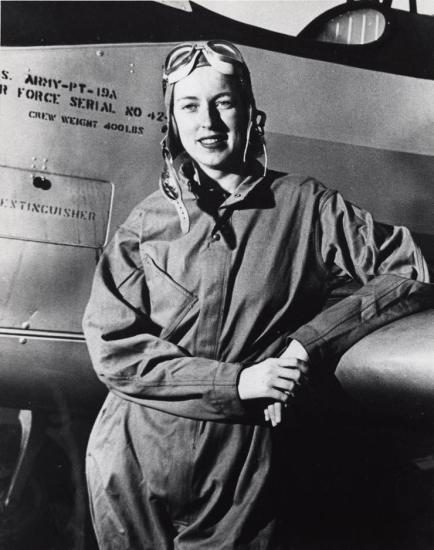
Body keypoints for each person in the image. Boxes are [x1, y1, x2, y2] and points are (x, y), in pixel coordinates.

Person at [83, 41, 433, 549]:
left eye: (224, 103)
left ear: (251, 114)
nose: (208, 122)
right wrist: (238, 381)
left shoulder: (307, 206)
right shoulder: (145, 223)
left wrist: (306, 345)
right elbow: (113, 350)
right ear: (173, 122)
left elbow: (407, 270)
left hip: (238, 468)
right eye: (189, 106)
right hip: (132, 458)